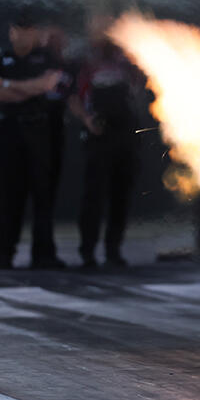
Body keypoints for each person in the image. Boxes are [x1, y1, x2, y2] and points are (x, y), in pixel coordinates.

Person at [69, 15, 144, 268]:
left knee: (120, 195)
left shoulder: (127, 56)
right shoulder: (83, 59)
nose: (102, 30)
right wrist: (87, 120)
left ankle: (114, 250)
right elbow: (72, 96)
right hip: (98, 135)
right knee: (94, 196)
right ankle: (87, 251)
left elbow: (140, 86)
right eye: (97, 25)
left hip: (125, 134)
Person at [0, 12, 67, 269]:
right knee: (8, 196)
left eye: (29, 29)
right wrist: (30, 88)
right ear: (11, 31)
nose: (24, 34)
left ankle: (44, 254)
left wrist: (11, 85)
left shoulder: (46, 57)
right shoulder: (3, 58)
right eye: (20, 29)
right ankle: (5, 252)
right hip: (9, 132)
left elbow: (48, 84)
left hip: (39, 132)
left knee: (43, 194)